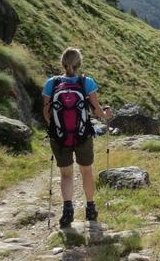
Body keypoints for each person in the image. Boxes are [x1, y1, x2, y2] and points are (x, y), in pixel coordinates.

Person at [42, 47, 113, 228]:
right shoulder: (86, 82)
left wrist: (55, 127)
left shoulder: (52, 83)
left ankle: (68, 211)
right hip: (83, 135)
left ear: (62, 63)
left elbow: (46, 111)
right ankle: (90, 209)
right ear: (79, 64)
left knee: (66, 174)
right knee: (86, 171)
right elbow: (96, 110)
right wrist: (106, 115)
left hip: (59, 136)